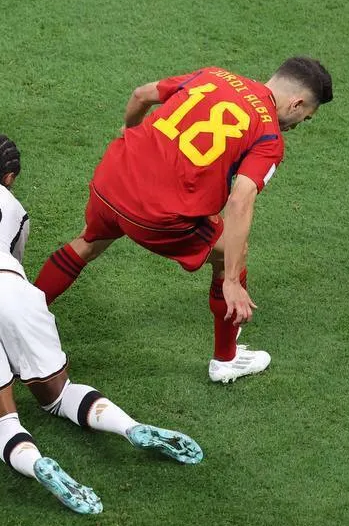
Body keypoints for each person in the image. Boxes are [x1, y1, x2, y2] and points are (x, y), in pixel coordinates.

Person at [0, 135, 204, 516]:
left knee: (0, 419)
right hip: (12, 287)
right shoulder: (14, 207)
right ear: (9, 177)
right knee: (59, 395)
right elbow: (10, 269)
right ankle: (128, 427)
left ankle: (37, 462)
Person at [34, 58, 333, 384]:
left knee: (88, 242)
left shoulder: (215, 76)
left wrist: (132, 134)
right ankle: (226, 359)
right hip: (156, 216)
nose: (298, 124)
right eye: (305, 117)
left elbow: (141, 95)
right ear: (297, 103)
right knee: (232, 254)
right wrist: (233, 281)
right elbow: (240, 200)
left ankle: (21, 310)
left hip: (111, 180)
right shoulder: (269, 137)